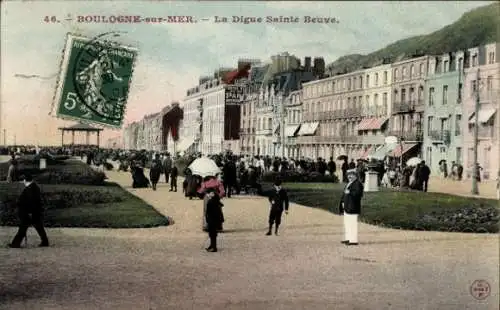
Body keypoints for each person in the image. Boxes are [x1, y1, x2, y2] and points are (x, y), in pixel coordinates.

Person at [8, 174, 49, 248]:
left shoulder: (30, 188)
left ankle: (16, 243)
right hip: (33, 211)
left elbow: (31, 201)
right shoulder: (33, 187)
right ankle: (45, 241)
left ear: (25, 180)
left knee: (23, 227)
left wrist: (29, 212)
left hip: (29, 212)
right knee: (39, 227)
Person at [339, 169, 363, 246]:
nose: (349, 176)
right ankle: (348, 238)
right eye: (348, 175)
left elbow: (358, 194)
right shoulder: (349, 183)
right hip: (347, 206)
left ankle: (353, 240)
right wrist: (342, 202)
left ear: (355, 175)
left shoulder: (357, 184)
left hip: (353, 206)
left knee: (352, 223)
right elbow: (344, 194)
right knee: (347, 223)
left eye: (351, 175)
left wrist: (350, 193)